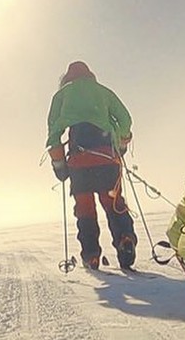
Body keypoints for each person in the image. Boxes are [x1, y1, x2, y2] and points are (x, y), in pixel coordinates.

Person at [46, 61, 138, 271]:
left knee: (85, 209)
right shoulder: (103, 92)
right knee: (114, 203)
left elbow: (54, 132)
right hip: (107, 158)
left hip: (79, 161)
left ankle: (91, 256)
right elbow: (125, 120)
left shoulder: (62, 96)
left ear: (67, 79)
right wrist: (122, 143)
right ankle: (125, 238)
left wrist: (59, 163)